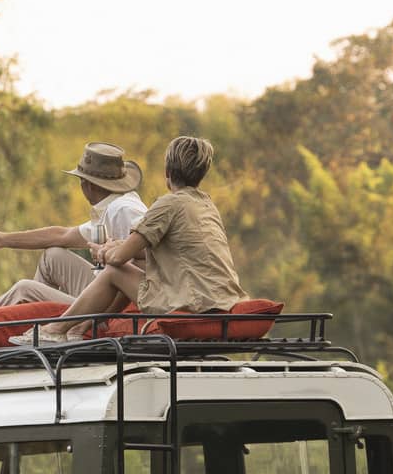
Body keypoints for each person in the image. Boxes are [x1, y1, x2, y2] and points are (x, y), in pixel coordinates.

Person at [13, 135, 246, 344]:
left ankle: (55, 329)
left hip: (191, 301)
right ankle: (79, 327)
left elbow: (119, 258)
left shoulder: (168, 204)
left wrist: (104, 251)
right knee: (119, 268)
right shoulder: (206, 205)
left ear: (167, 173)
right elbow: (166, 250)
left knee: (114, 271)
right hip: (220, 297)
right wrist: (119, 247)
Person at [0, 142, 147, 330]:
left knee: (23, 289)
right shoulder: (112, 207)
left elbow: (147, 257)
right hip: (107, 290)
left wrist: (104, 312)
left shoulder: (124, 210)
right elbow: (61, 235)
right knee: (53, 255)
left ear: (87, 184)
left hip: (116, 306)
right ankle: (32, 326)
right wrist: (3, 239)